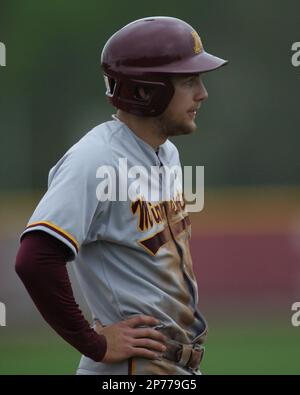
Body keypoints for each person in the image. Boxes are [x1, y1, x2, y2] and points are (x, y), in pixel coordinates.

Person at [15, 16, 227, 375]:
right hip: (129, 370)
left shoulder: (166, 152)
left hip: (172, 367)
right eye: (189, 81)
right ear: (147, 90)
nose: (202, 93)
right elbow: (35, 258)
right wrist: (93, 342)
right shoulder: (95, 159)